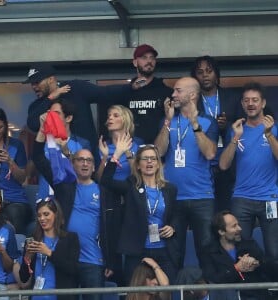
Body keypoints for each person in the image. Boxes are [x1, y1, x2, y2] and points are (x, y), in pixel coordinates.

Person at [32, 114, 113, 300]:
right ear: (72, 164)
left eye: (89, 160)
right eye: (80, 160)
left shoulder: (104, 192)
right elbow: (38, 158)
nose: (85, 163)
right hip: (66, 259)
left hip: (93, 260)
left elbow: (111, 227)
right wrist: (42, 130)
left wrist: (110, 261)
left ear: (94, 167)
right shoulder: (63, 186)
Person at [154, 77, 218, 269]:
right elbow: (159, 152)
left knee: (206, 251)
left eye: (178, 90)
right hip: (173, 196)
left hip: (202, 196)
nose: (173, 94)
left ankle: (209, 296)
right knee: (173, 252)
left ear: (192, 95)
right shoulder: (168, 121)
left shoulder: (208, 122)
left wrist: (195, 124)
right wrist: (167, 120)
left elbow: (210, 153)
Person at [25, 64, 136, 166]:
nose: (34, 86)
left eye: (37, 82)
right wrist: (50, 98)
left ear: (51, 79)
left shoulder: (75, 88)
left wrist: (131, 88)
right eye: (32, 83)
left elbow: (105, 93)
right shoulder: (37, 105)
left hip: (88, 159)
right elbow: (33, 124)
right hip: (56, 162)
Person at [100, 141, 179, 285]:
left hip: (163, 249)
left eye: (153, 158)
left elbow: (176, 215)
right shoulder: (130, 186)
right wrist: (117, 154)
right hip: (137, 250)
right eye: (145, 158)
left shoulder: (170, 189)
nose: (149, 162)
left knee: (169, 291)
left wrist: (172, 227)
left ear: (158, 164)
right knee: (133, 292)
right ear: (137, 165)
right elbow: (105, 181)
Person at [219, 82, 278, 264]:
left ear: (263, 103)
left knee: (274, 250)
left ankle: (273, 291)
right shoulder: (236, 129)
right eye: (246, 100)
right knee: (241, 249)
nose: (250, 104)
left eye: (255, 100)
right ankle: (246, 292)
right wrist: (235, 138)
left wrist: (268, 134)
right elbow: (223, 165)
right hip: (242, 198)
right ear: (243, 104)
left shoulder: (274, 128)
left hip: (270, 197)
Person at [191, 55, 242, 211]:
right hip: (202, 166)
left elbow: (243, 124)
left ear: (216, 74)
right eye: (200, 72)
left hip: (228, 166)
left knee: (227, 213)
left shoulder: (233, 98)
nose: (205, 75)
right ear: (195, 77)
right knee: (205, 215)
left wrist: (225, 125)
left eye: (209, 71)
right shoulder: (193, 100)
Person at [97, 105, 139, 286]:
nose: (110, 118)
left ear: (125, 120)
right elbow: (99, 179)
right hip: (108, 202)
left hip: (130, 202)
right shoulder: (103, 146)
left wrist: (127, 153)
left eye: (116, 115)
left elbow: (139, 178)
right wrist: (108, 156)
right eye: (109, 115)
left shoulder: (137, 144)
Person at [100, 44, 172, 145]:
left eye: (152, 58)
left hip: (157, 150)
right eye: (144, 58)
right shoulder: (125, 92)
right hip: (130, 148)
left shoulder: (165, 91)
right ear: (135, 62)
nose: (149, 61)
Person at [201, 211, 275, 300]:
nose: (239, 228)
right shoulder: (209, 252)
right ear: (221, 231)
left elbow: (268, 268)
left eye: (238, 224)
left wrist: (257, 263)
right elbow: (213, 279)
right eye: (234, 226)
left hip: (254, 296)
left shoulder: (249, 244)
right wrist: (236, 268)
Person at [19, 197, 80, 300]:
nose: (42, 218)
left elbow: (73, 269)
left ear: (56, 215)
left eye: (46, 214)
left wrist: (49, 253)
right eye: (39, 215)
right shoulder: (33, 240)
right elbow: (23, 278)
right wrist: (27, 258)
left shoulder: (70, 238)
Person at [37, 98, 90, 199]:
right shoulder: (42, 141)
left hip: (72, 200)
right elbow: (32, 169)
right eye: (50, 114)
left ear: (68, 118)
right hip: (45, 201)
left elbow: (84, 174)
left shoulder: (82, 144)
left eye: (56, 113)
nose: (51, 117)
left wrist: (67, 153)